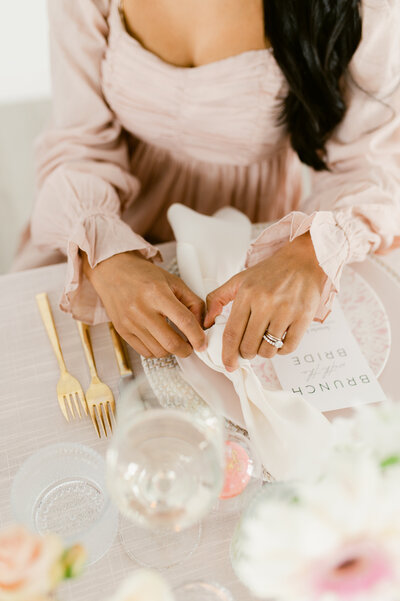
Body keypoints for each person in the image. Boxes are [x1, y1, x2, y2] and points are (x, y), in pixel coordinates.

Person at [14, 0, 400, 370]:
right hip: (109, 216)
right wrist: (106, 256)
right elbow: (78, 140)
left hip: (245, 243)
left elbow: (367, 165)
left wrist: (308, 253)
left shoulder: (369, 7)